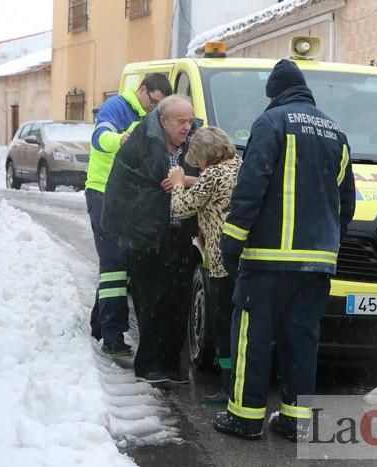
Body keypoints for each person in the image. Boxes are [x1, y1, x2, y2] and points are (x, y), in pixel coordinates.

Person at [213, 59, 356, 441]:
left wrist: (231, 244)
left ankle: (244, 417)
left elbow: (250, 192)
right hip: (316, 265)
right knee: (302, 340)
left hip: (267, 262)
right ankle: (295, 420)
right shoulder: (335, 132)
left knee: (252, 336)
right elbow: (347, 204)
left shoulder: (270, 123)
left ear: (273, 93)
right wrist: (327, 245)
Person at [101, 95, 202, 383]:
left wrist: (186, 182)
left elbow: (209, 179)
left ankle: (172, 364)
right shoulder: (140, 145)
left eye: (189, 120)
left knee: (178, 301)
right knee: (151, 302)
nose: (187, 126)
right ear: (163, 121)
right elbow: (126, 186)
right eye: (181, 121)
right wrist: (160, 194)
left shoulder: (194, 147)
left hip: (182, 238)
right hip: (147, 238)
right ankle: (149, 366)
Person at [86, 74, 173, 357]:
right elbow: (100, 138)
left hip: (129, 196)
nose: (154, 108)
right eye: (154, 102)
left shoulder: (153, 115)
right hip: (103, 192)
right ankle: (112, 336)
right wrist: (122, 139)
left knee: (121, 259)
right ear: (142, 90)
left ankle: (99, 324)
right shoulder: (118, 107)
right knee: (113, 262)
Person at [167, 126, 241, 402]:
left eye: (197, 160)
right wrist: (191, 180)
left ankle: (227, 387)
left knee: (222, 326)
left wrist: (177, 182)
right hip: (244, 256)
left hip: (220, 260)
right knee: (241, 324)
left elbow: (182, 207)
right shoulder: (240, 167)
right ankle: (241, 384)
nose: (197, 165)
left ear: (207, 155)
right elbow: (214, 195)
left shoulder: (212, 174)